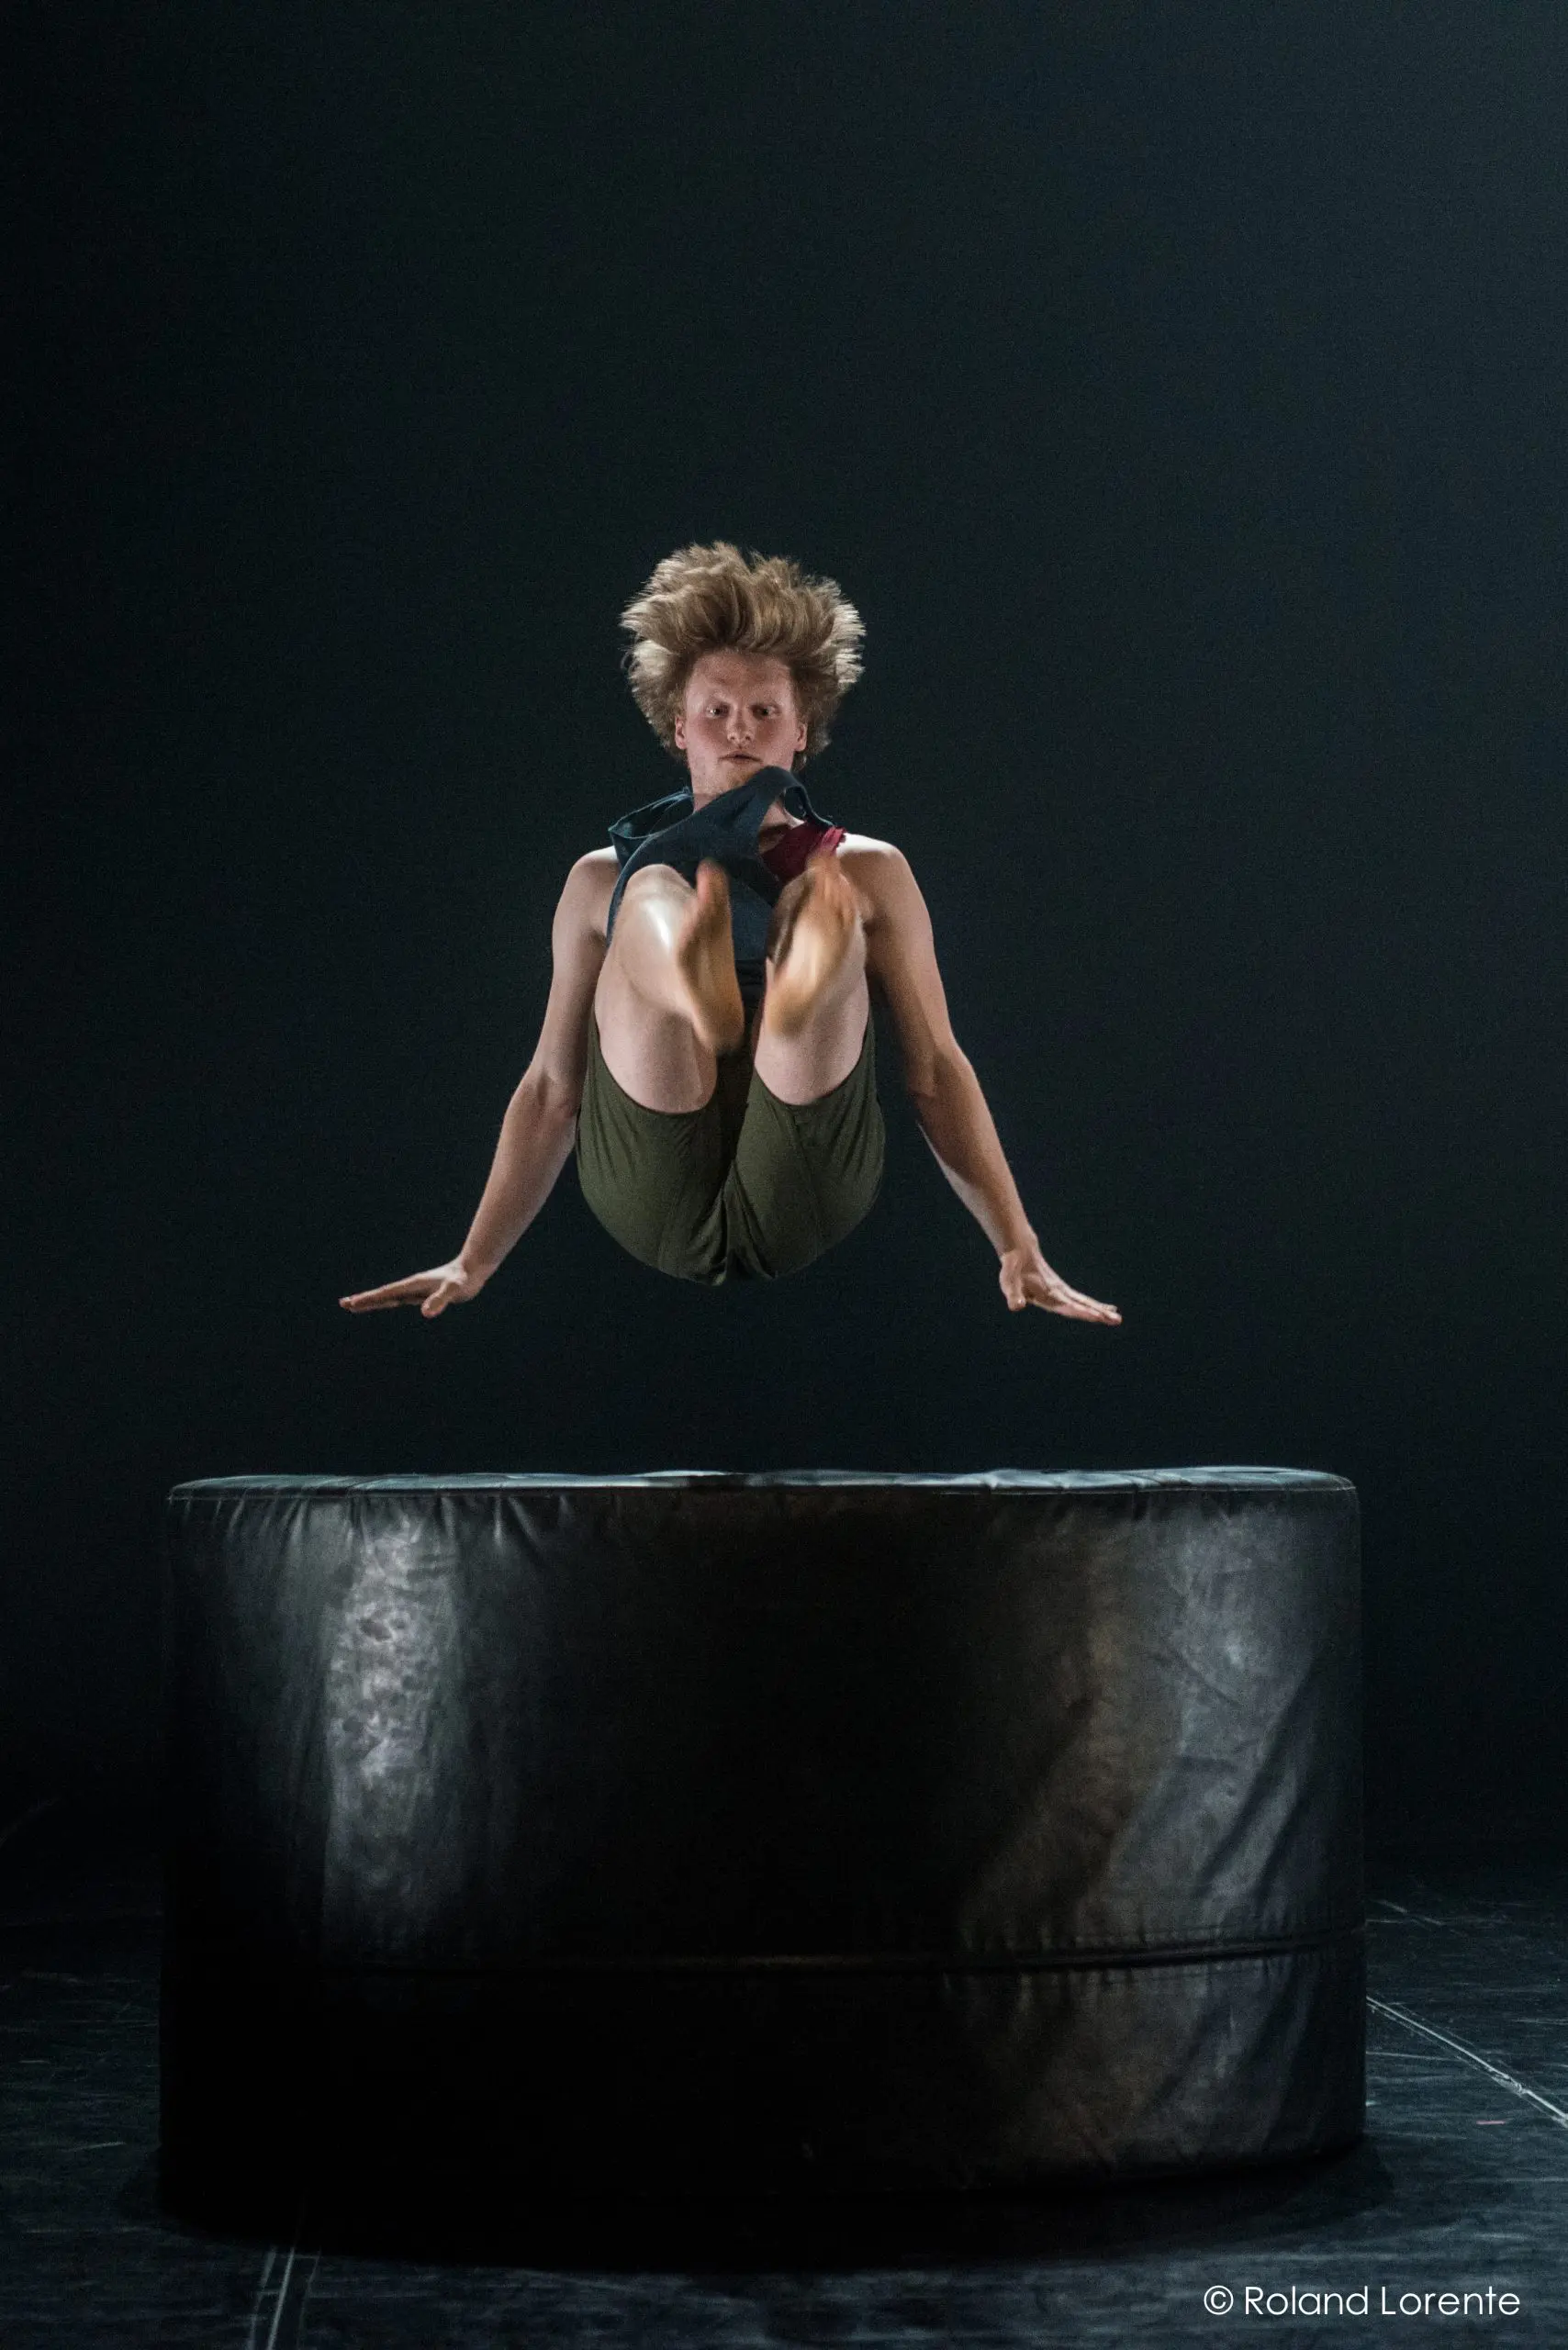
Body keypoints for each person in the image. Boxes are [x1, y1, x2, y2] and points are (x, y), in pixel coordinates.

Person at [340, 543, 1121, 1326]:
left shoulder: (873, 871)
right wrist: (474, 1259)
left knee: (831, 893)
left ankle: (797, 989)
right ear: (679, 728)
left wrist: (1016, 1242)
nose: (739, 731)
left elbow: (936, 1069)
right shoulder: (595, 879)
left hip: (804, 1183)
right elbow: (551, 1087)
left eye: (764, 713)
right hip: (655, 1184)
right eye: (716, 712)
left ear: (801, 733)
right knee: (645, 885)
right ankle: (698, 985)